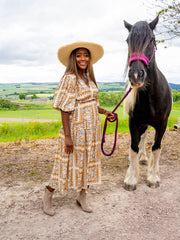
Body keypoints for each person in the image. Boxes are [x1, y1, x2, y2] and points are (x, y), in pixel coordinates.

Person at [43, 42, 114, 216]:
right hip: (75, 129)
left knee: (88, 162)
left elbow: (90, 103)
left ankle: (82, 197)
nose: (83, 58)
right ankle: (48, 195)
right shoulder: (69, 78)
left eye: (86, 55)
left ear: (89, 59)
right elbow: (65, 108)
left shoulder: (88, 79)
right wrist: (67, 136)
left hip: (92, 130)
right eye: (79, 55)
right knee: (64, 163)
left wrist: (105, 111)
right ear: (73, 58)